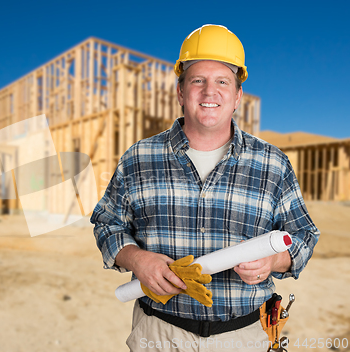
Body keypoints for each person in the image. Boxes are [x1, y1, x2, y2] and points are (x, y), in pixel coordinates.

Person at [90, 24, 319, 351]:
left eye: (223, 81)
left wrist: (274, 260)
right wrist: (137, 259)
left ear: (237, 95)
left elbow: (305, 236)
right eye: (198, 80)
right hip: (158, 334)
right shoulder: (139, 158)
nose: (210, 91)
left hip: (244, 337)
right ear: (181, 92)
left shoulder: (273, 164)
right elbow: (107, 223)